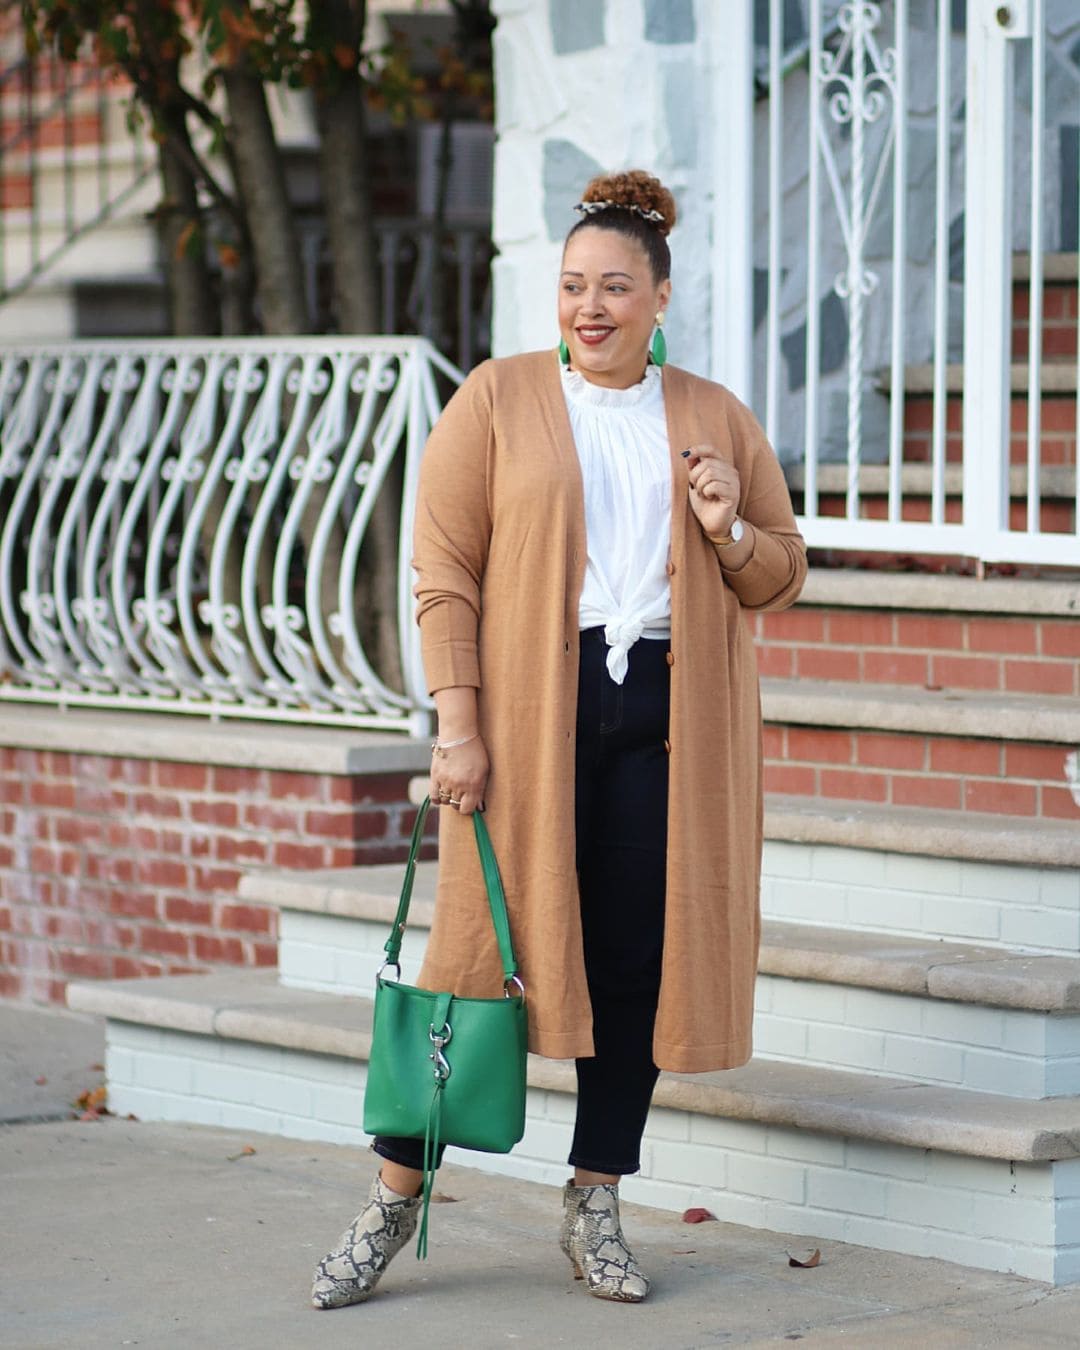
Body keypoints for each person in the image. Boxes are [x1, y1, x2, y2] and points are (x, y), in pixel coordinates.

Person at [311, 170, 807, 1310]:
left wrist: (730, 526)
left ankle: (596, 1202)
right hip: (536, 717)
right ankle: (394, 1196)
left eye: (616, 287)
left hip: (668, 733)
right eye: (575, 286)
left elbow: (780, 574)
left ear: (661, 297)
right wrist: (459, 726)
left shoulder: (715, 414)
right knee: (470, 969)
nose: (592, 307)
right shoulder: (494, 401)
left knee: (634, 966)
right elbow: (445, 577)